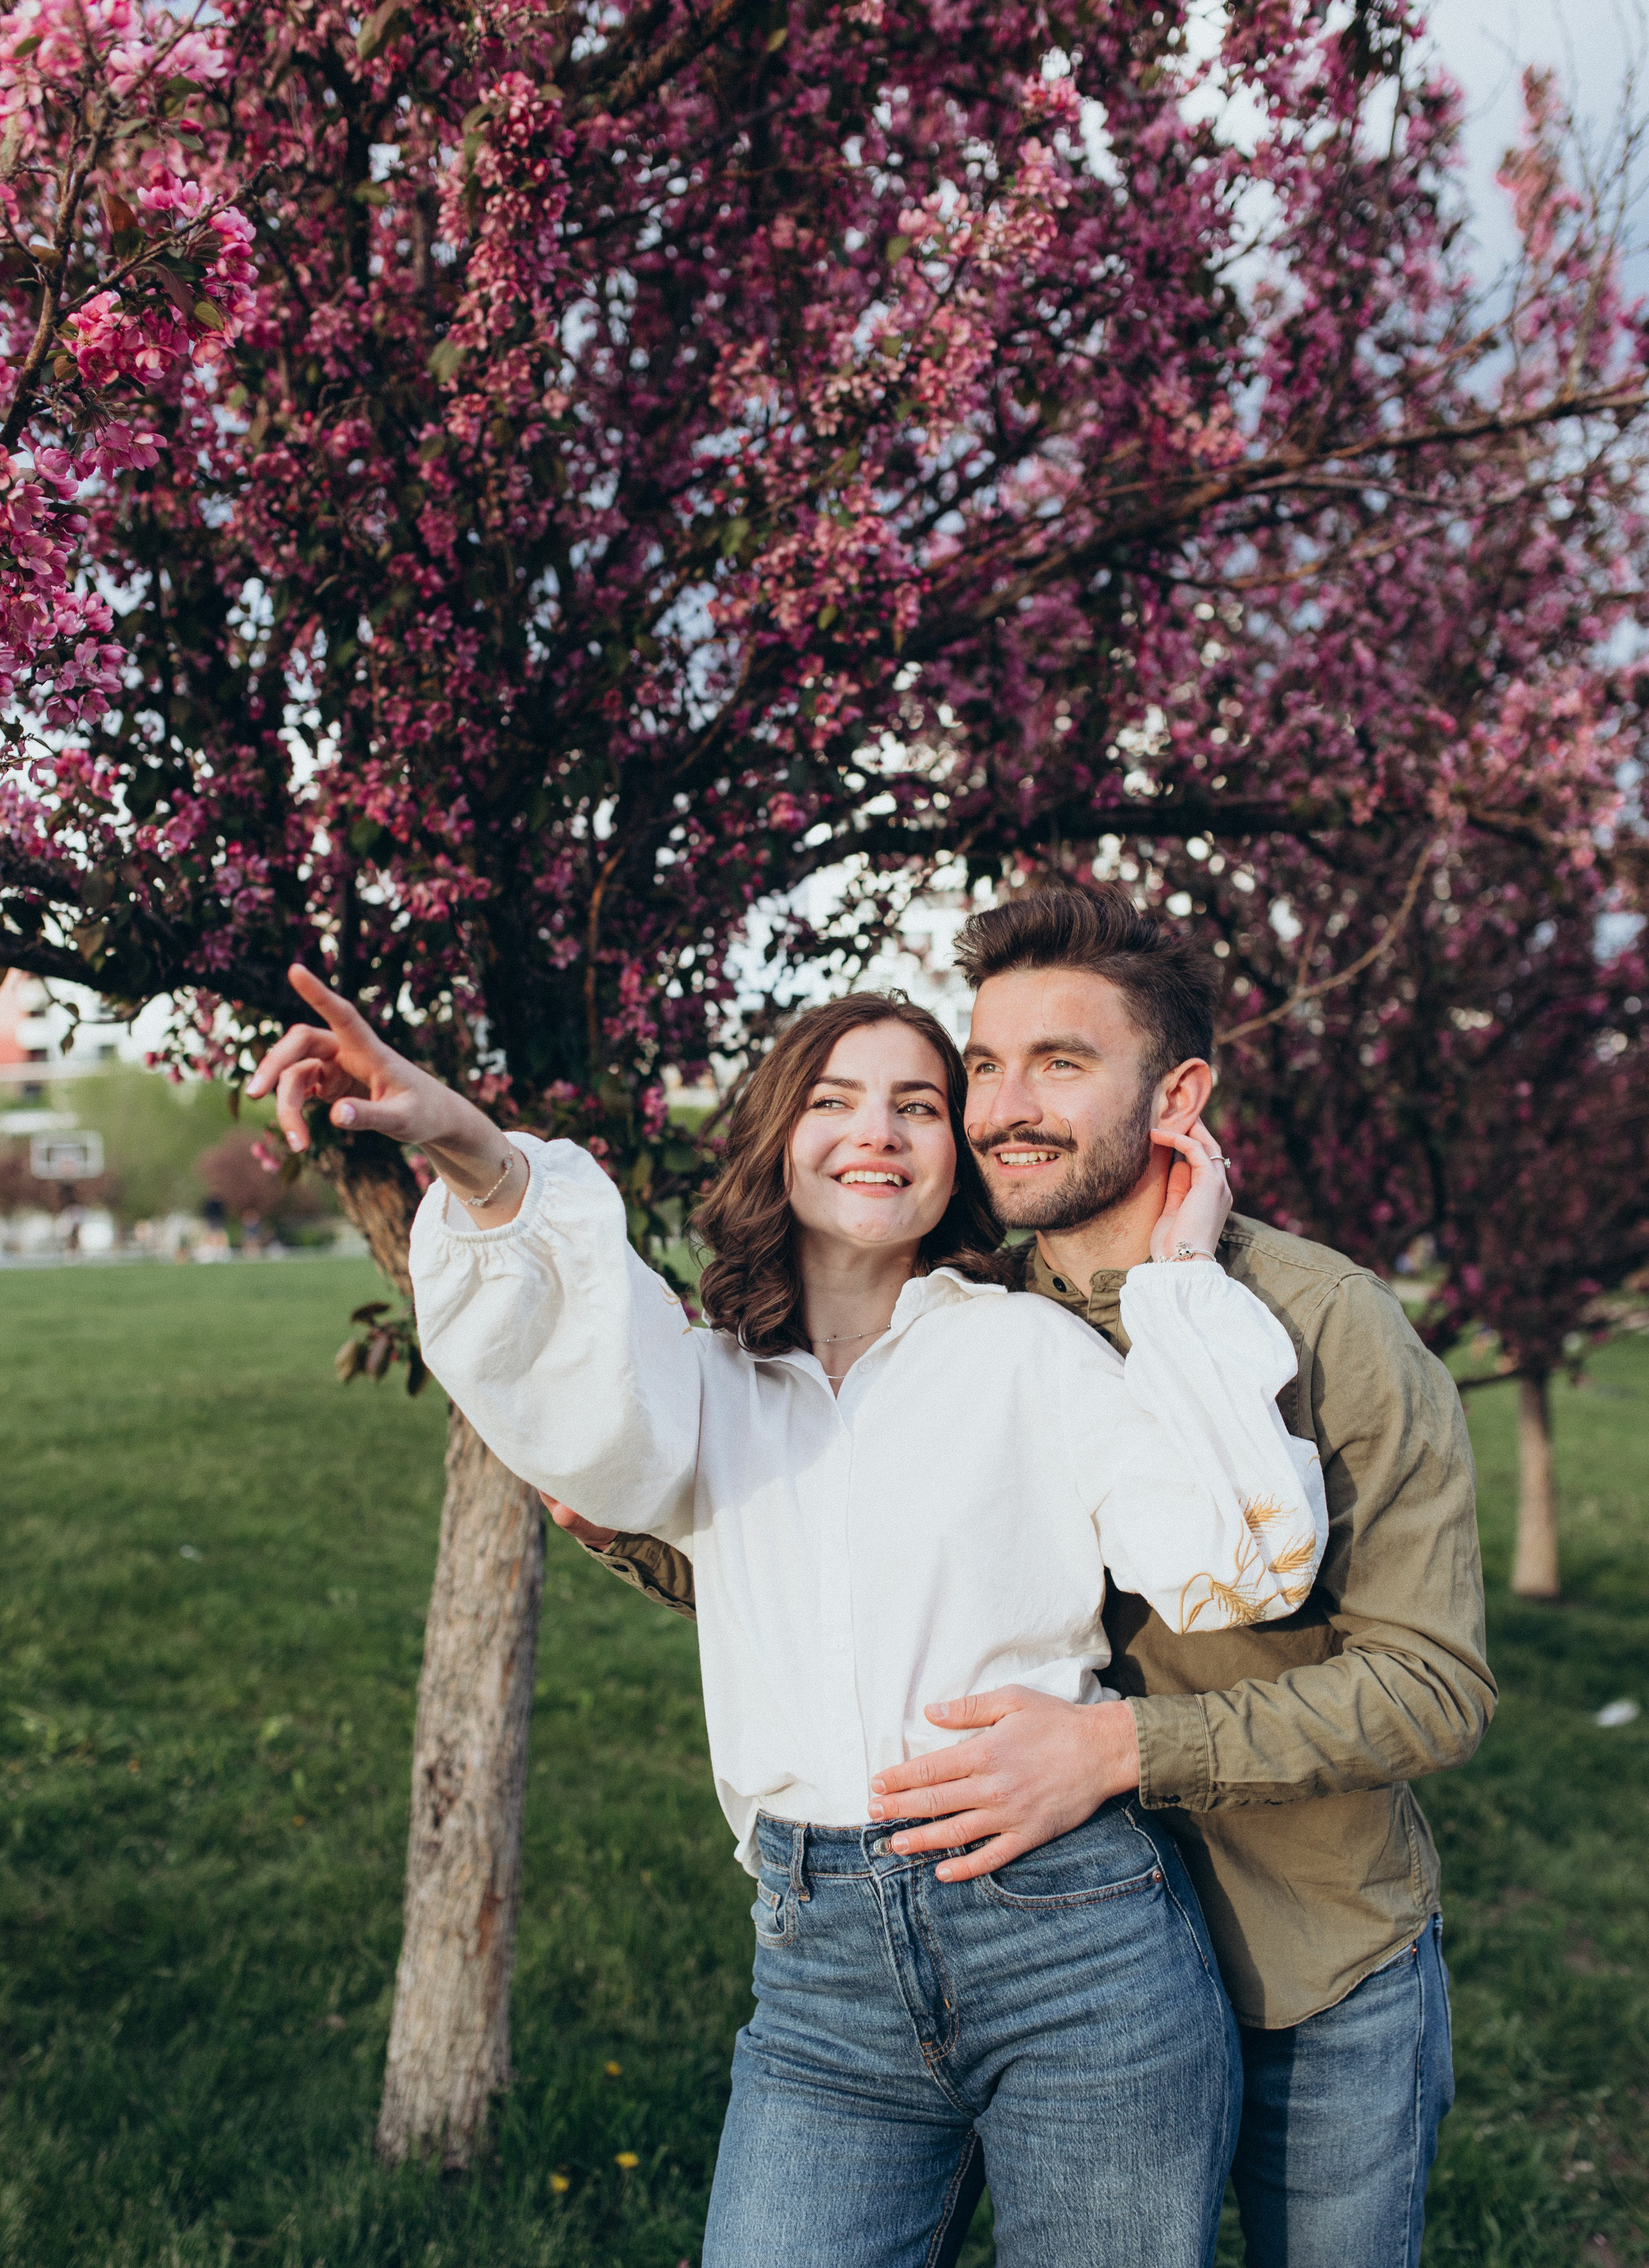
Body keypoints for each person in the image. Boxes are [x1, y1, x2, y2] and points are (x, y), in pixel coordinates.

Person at [249, 965, 1330, 2268]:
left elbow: (1243, 1558)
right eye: (833, 1099)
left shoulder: (1031, 1353)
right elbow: (568, 1355)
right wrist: (465, 1142)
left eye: (917, 1105)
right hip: (823, 1978)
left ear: (952, 1156)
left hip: (1072, 1947)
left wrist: (1179, 1271)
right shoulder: (702, 1384)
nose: (878, 1130)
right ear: (778, 1137)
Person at [567, 885, 1494, 2268]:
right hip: (1008, 1927)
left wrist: (1116, 1748)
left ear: (1176, 1095)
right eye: (985, 1066)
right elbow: (874, 1581)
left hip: (1302, 1959)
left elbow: (1430, 1686)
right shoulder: (972, 1316)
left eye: (1060, 1064)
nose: (1005, 1107)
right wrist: (626, 1522)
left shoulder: (1320, 1323)